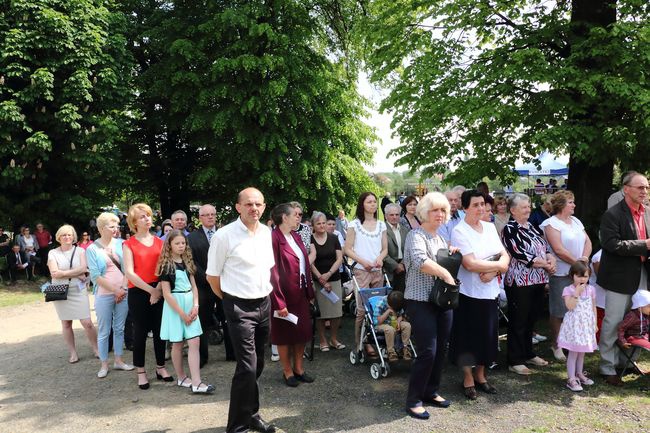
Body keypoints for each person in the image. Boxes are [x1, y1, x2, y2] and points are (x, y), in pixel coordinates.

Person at [206, 187, 277, 433]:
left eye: (258, 204)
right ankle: (236, 427)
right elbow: (212, 276)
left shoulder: (267, 233)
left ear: (264, 206)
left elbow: (268, 268)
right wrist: (228, 299)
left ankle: (252, 415)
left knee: (257, 366)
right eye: (248, 204)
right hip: (238, 306)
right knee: (246, 367)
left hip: (263, 303)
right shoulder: (224, 236)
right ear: (238, 207)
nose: (253, 208)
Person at [450, 190, 510, 400]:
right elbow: (470, 263)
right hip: (469, 293)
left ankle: (481, 375)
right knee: (468, 337)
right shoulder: (460, 231)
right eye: (475, 205)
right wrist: (499, 266)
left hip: (490, 290)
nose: (480, 209)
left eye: (482, 204)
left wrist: (495, 270)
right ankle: (467, 377)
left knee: (487, 336)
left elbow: (505, 256)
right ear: (465, 208)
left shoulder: (490, 227)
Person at [403, 192, 456, 419]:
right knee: (428, 351)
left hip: (442, 301)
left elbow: (441, 259)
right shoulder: (416, 235)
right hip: (419, 300)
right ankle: (413, 399)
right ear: (424, 212)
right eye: (435, 210)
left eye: (443, 210)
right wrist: (445, 272)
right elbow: (420, 261)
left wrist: (451, 255)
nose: (440, 214)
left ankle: (430, 391)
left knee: (441, 348)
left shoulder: (441, 239)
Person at [598, 172, 650, 386]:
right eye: (640, 187)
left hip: (643, 275)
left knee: (641, 320)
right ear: (626, 189)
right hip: (619, 278)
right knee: (613, 323)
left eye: (646, 188)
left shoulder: (647, 212)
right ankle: (607, 367)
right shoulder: (612, 214)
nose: (644, 192)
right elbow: (611, 244)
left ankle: (627, 362)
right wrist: (644, 245)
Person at [501, 194, 555, 375]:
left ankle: (528, 353)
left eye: (529, 206)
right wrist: (546, 264)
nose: (528, 209)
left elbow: (545, 247)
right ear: (513, 210)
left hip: (538, 280)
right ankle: (515, 360)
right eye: (524, 207)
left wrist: (550, 258)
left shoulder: (531, 226)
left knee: (532, 319)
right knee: (519, 320)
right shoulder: (509, 229)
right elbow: (520, 254)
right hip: (519, 282)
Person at [157, 230, 214, 394]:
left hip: (190, 304)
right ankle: (181, 377)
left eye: (183, 243)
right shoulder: (165, 266)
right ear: (169, 245)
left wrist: (195, 306)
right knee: (178, 343)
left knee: (194, 341)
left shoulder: (187, 262)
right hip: (176, 307)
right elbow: (167, 294)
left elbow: (194, 286)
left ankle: (196, 381)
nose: (181, 246)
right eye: (177, 243)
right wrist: (182, 314)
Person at [122, 203, 171, 390]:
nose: (147, 219)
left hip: (159, 287)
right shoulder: (129, 244)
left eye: (148, 215)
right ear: (134, 222)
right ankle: (141, 371)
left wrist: (157, 288)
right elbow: (129, 272)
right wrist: (151, 291)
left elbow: (165, 266)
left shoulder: (160, 242)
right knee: (140, 332)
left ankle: (161, 367)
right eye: (142, 216)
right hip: (138, 291)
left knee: (160, 331)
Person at [540, 190, 592, 362]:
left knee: (577, 309)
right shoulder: (551, 224)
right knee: (559, 310)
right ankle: (556, 344)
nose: (574, 205)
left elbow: (587, 241)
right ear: (561, 205)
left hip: (579, 272)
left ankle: (572, 341)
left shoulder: (576, 221)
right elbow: (559, 250)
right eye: (571, 202)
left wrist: (584, 259)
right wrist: (577, 264)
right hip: (562, 273)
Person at [269, 203, 315, 387]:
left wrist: (309, 292)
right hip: (284, 296)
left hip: (301, 293)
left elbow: (304, 264)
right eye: (294, 215)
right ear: (284, 218)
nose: (298, 218)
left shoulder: (295, 236)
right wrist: (279, 302)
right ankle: (287, 371)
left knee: (302, 333)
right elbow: (273, 272)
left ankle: (299, 368)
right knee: (284, 335)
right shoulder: (274, 239)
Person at [86, 213, 133, 378]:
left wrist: (123, 288)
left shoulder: (123, 244)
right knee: (105, 330)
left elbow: (129, 268)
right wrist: (115, 290)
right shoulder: (92, 249)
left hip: (123, 292)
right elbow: (95, 276)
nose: (116, 229)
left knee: (119, 328)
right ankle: (104, 364)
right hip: (104, 294)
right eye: (111, 226)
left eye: (117, 225)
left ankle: (119, 360)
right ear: (101, 228)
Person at [187, 204, 235, 366]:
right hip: (203, 286)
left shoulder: (225, 235)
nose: (210, 217)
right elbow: (191, 262)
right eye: (206, 215)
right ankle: (202, 357)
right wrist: (208, 278)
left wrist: (222, 278)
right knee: (202, 322)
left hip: (225, 285)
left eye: (212, 214)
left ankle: (232, 353)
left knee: (228, 319)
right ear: (200, 218)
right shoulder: (191, 238)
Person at [344, 192, 388, 353]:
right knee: (362, 310)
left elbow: (385, 249)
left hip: (377, 271)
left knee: (377, 308)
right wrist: (364, 262)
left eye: (374, 202)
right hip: (361, 270)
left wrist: (380, 259)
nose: (373, 205)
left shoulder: (381, 224)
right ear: (362, 204)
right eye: (369, 202)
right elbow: (347, 249)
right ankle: (360, 343)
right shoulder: (354, 224)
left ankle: (376, 340)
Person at [47, 225, 98, 363]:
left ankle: (96, 349)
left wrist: (63, 273)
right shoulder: (53, 253)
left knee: (87, 322)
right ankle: (73, 353)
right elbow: (54, 273)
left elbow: (84, 268)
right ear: (59, 237)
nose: (67, 237)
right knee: (66, 323)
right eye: (64, 235)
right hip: (60, 291)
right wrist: (77, 272)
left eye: (69, 234)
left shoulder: (81, 251)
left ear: (73, 236)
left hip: (78, 290)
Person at [557, 261, 598, 392]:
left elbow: (593, 307)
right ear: (572, 276)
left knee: (582, 352)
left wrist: (595, 323)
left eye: (585, 276)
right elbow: (570, 306)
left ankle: (579, 373)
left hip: (585, 325)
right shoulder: (568, 290)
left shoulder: (591, 290)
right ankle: (571, 378)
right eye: (579, 276)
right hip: (574, 326)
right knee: (573, 352)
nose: (582, 279)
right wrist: (576, 293)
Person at [309, 211, 344, 352]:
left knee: (336, 312)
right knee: (320, 313)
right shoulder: (309, 239)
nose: (322, 225)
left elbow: (339, 258)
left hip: (334, 278)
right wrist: (321, 279)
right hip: (317, 281)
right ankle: (323, 340)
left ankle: (334, 339)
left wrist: (328, 274)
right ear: (313, 225)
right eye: (318, 223)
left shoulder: (334, 238)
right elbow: (309, 262)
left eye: (324, 222)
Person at [372, 290, 411, 362]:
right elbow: (378, 321)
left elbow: (400, 316)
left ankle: (405, 348)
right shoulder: (381, 303)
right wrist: (388, 311)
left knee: (407, 325)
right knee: (390, 329)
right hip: (381, 324)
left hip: (394, 322)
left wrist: (398, 322)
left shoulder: (398, 304)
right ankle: (391, 351)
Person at [383, 203, 409, 292]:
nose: (394, 217)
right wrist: (395, 266)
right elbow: (380, 251)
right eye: (391, 215)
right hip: (388, 270)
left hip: (404, 268)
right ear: (386, 216)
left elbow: (409, 249)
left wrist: (402, 264)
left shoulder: (405, 230)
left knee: (402, 298)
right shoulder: (381, 230)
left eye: (397, 214)